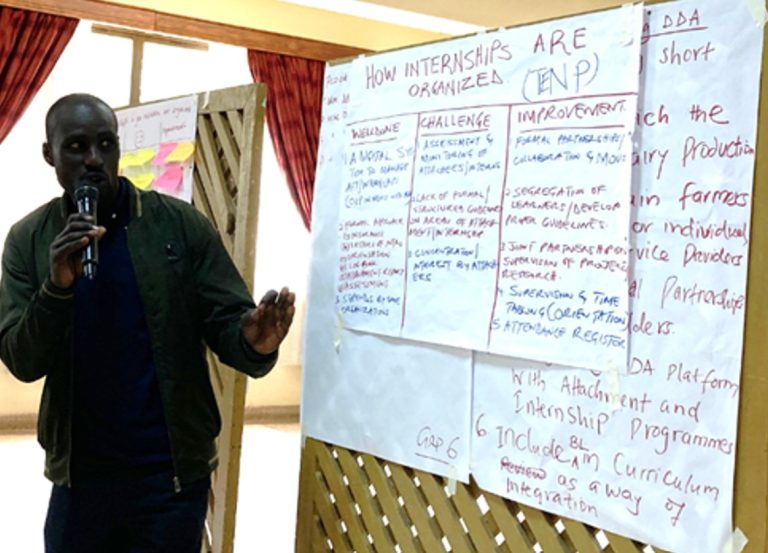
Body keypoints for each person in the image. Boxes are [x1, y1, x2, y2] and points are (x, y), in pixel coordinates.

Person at [0, 93, 296, 553]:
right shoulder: (29, 241)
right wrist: (56, 287)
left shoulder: (178, 226)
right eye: (76, 147)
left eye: (105, 144)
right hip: (80, 478)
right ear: (49, 155)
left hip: (169, 477)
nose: (94, 159)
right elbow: (22, 359)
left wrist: (254, 340)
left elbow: (229, 324)